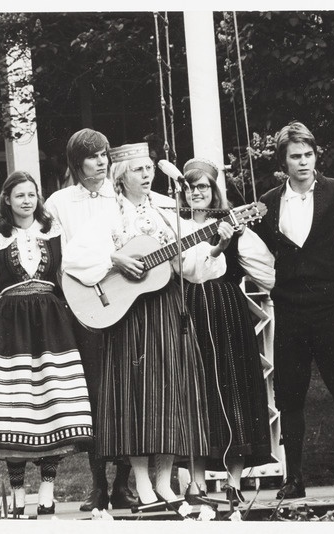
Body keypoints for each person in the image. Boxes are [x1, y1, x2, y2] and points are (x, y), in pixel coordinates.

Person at [62, 142, 227, 510]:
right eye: (138, 169)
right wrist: (114, 258)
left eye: (150, 167)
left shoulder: (168, 212)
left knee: (171, 393)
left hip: (167, 308)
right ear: (122, 176)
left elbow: (191, 267)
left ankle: (165, 483)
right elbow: (73, 258)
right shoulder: (107, 214)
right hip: (130, 314)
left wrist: (215, 248)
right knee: (136, 395)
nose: (147, 173)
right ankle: (141, 483)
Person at [0, 171, 94, 516]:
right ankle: (20, 495)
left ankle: (48, 491)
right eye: (19, 195)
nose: (26, 200)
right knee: (15, 406)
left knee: (53, 403)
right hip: (11, 329)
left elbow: (73, 273)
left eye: (32, 194)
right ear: (7, 200)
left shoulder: (54, 235)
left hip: (52, 326)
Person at [254, 121, 334, 499]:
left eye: (308, 155)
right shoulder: (268, 202)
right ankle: (294, 479)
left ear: (316, 156)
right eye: (295, 157)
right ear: (283, 162)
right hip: (289, 308)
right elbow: (258, 253)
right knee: (290, 394)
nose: (303, 163)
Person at [44, 128, 138, 512]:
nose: (102, 162)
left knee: (127, 391)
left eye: (105, 155)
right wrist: (109, 260)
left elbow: (132, 242)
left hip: (125, 303)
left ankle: (124, 483)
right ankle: (97, 485)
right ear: (75, 162)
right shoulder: (59, 203)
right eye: (93, 156)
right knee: (96, 394)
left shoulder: (120, 201)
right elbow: (61, 257)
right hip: (84, 305)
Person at [178, 157, 276, 504]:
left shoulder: (235, 224)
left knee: (234, 388)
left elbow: (267, 273)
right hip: (186, 311)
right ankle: (197, 484)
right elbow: (183, 271)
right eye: (190, 187)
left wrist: (235, 250)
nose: (196, 192)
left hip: (225, 311)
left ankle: (234, 483)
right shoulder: (175, 225)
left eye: (203, 186)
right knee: (195, 393)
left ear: (214, 190)